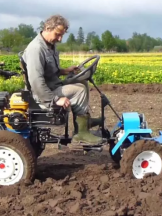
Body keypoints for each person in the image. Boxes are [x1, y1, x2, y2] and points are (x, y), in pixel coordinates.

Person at [22, 14, 103, 146]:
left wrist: (65, 71)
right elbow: (36, 81)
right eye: (57, 34)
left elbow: (49, 70)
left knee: (82, 82)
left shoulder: (49, 45)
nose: (59, 39)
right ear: (47, 28)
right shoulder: (36, 49)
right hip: (42, 94)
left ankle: (84, 123)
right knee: (79, 90)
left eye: (62, 35)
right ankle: (80, 134)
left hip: (52, 85)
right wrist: (55, 99)